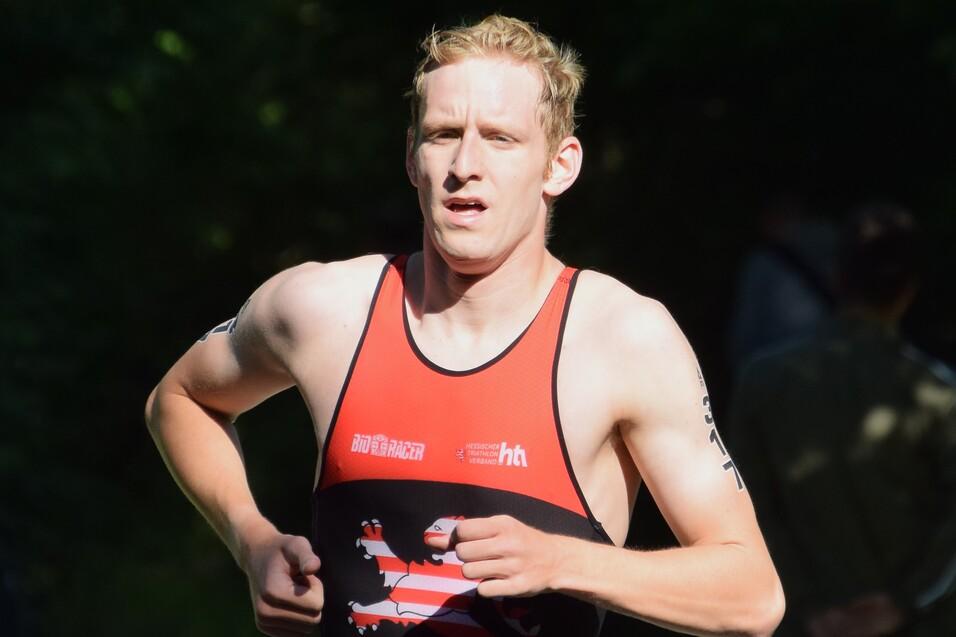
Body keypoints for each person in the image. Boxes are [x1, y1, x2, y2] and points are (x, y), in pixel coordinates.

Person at [146, 15, 783, 637]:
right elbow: (179, 400)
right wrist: (251, 540)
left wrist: (565, 561)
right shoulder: (322, 309)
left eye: (500, 138)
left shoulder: (622, 339)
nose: (464, 164)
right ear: (411, 156)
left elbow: (752, 596)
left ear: (558, 166)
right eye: (443, 133)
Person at [728, 204, 956, 636]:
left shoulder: (763, 381)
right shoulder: (937, 393)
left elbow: (744, 507)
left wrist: (807, 606)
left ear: (838, 277)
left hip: (803, 623)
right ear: (911, 287)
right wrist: (904, 603)